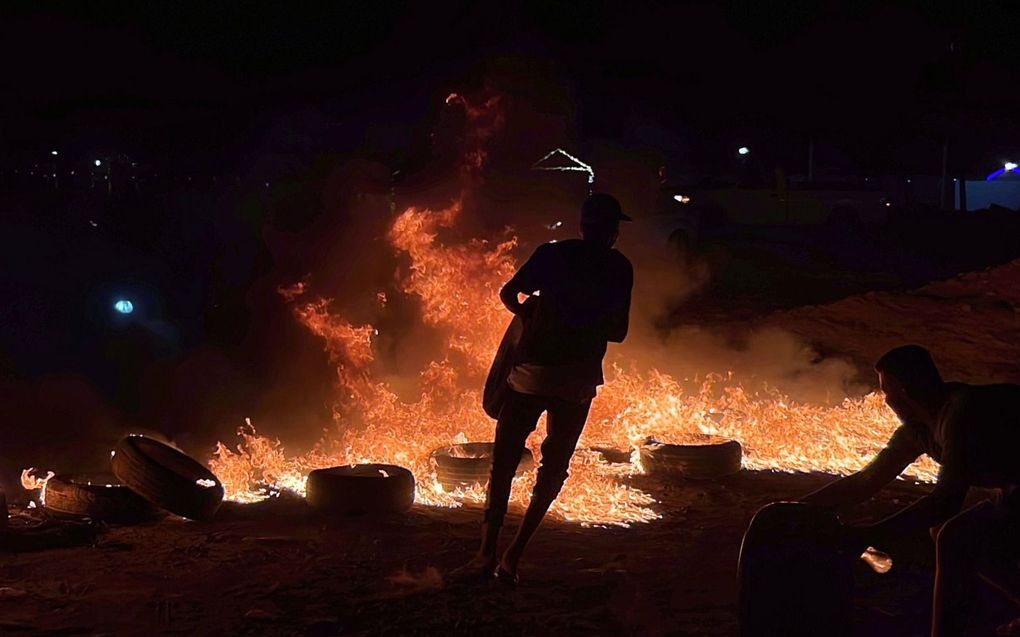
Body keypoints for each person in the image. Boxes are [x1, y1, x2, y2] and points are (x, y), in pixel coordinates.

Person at [464, 193, 633, 585]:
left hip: (530, 374)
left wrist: (532, 314)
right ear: (612, 233)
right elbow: (619, 332)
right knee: (553, 469)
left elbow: (509, 294)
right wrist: (587, 323)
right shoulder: (619, 268)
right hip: (577, 380)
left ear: (582, 225)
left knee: (503, 463)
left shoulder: (552, 255)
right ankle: (513, 556)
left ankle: (485, 551)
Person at [802, 344, 1020, 636]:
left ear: (904, 391)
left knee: (954, 537)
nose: (886, 400)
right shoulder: (920, 429)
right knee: (945, 531)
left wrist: (868, 535)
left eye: (886, 391)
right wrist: (796, 507)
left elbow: (946, 500)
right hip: (1011, 490)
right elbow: (866, 481)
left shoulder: (960, 414)